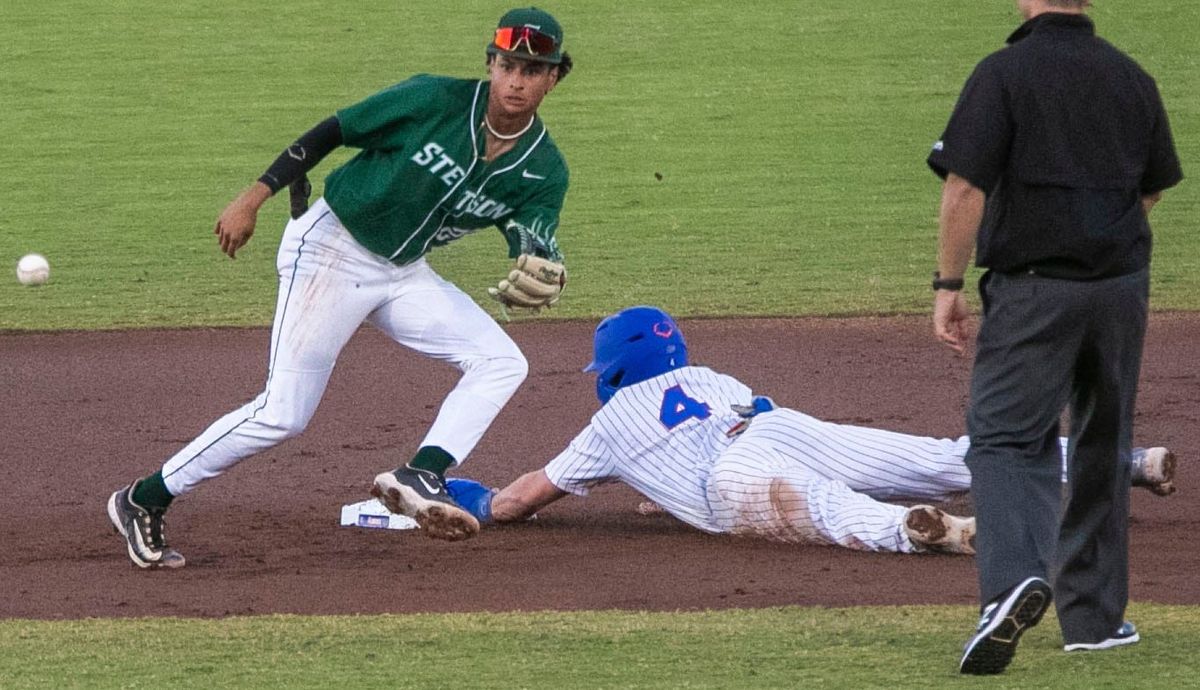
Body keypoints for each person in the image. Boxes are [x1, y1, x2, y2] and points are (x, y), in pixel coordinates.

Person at [107, 7, 575, 568]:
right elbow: (334, 130)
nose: (516, 80)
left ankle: (421, 472)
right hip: (330, 250)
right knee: (283, 413)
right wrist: (255, 196)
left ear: (553, 77)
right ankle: (144, 498)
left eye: (532, 69)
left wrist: (547, 263)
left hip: (402, 273)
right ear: (491, 65)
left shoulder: (544, 168)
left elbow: (534, 236)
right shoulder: (433, 100)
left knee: (502, 360)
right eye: (507, 65)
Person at [440, 307, 1177, 555]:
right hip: (778, 425)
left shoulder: (607, 425)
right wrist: (654, 492)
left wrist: (476, 497)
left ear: (614, 370)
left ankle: (930, 534)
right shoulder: (711, 378)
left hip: (729, 478)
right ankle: (1125, 460)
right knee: (945, 457)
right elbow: (719, 435)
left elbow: (520, 500)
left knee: (825, 511)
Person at [927, 0, 1183, 675]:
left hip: (1036, 289)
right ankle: (1095, 621)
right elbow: (1152, 188)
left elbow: (962, 189)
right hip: (1121, 286)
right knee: (1105, 439)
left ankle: (1010, 582)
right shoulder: (1131, 76)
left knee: (1007, 435)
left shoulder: (1004, 72)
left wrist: (947, 285)